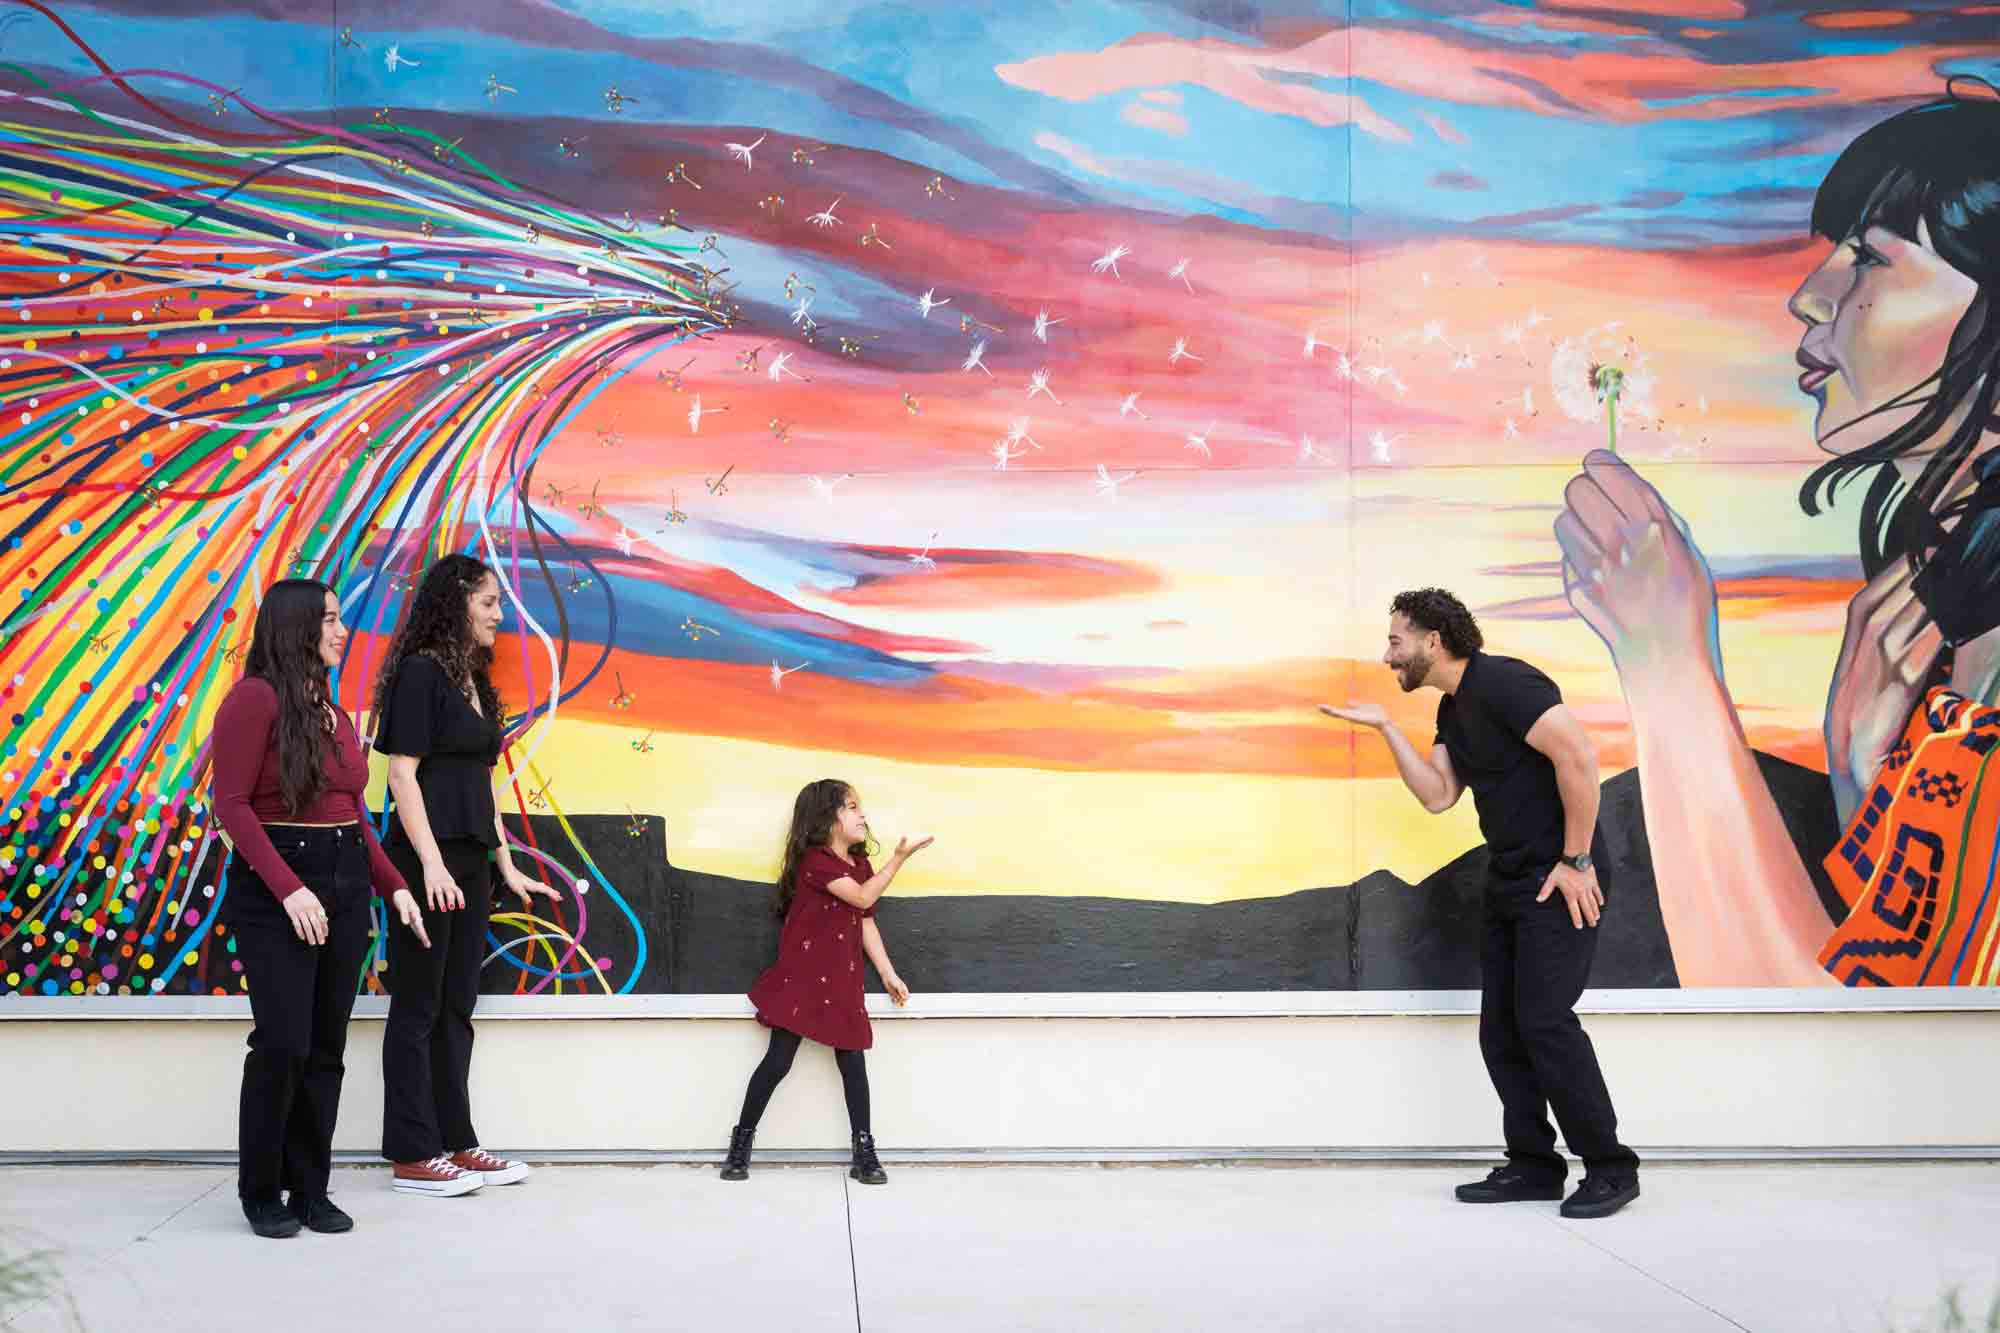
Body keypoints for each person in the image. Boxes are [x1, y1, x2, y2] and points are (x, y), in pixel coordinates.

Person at [1555, 81, 2000, 988]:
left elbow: (1832, 1062)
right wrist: (1864, 776)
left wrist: (1668, 664)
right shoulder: (1955, 651)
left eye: (1870, 259)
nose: (1808, 296)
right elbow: (1916, 1008)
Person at [1322, 589, 1641, 1219]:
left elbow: (1578, 756)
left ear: (1432, 641)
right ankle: (1532, 1165)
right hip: (1511, 874)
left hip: (1559, 875)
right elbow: (1439, 796)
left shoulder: (1504, 682)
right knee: (1503, 1028)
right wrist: (1388, 728)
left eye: (1395, 641)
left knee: (1545, 1021)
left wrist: (1576, 860)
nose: (1388, 656)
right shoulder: (1453, 710)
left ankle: (1610, 1167)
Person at [210, 579, 432, 1238]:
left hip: (343, 882)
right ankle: (260, 1190)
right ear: (296, 626)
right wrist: (289, 888)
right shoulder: (253, 700)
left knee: (326, 1049)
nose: (342, 630)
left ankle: (310, 1187)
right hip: (280, 884)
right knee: (282, 1042)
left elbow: (352, 814)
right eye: (331, 619)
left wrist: (392, 884)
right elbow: (232, 805)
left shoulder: (330, 710)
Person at [372, 554, 559, 1197]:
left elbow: (480, 782)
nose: (499, 617)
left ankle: (457, 1141)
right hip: (432, 860)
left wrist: (505, 863)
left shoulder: (472, 679)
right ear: (456, 605)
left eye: (499, 604)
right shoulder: (422, 673)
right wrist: (428, 865)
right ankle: (412, 1153)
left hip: (471, 860)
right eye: (488, 603)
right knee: (419, 1005)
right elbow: (402, 774)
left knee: (456, 1007)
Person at [720, 780, 924, 1185]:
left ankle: (864, 1152)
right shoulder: (816, 863)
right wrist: (899, 859)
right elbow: (863, 898)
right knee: (777, 1062)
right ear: (828, 817)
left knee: (853, 1064)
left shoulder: (860, 866)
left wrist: (887, 973)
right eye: (852, 807)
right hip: (803, 979)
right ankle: (740, 1144)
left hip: (842, 982)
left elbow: (865, 919)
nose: (862, 815)